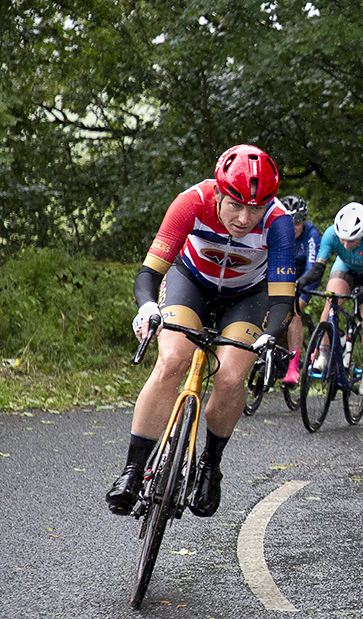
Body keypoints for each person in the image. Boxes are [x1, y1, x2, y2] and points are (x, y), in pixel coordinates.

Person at [106, 144, 295, 518]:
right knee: (172, 361)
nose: (244, 218)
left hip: (248, 296)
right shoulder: (191, 202)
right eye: (236, 204)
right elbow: (150, 273)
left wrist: (270, 335)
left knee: (229, 376)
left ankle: (210, 464)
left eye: (255, 208)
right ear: (219, 193)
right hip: (191, 283)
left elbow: (282, 300)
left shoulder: (280, 222)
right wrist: (147, 307)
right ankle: (132, 470)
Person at [295, 202, 363, 396]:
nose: (345, 245)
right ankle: (323, 353)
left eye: (352, 241)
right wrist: (301, 281)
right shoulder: (331, 233)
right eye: (343, 240)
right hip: (346, 268)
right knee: (331, 302)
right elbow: (318, 269)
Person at [282, 195, 321, 385]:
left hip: (306, 279)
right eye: (288, 222)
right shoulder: (276, 231)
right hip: (283, 276)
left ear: (304, 220)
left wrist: (301, 285)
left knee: (294, 312)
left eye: (296, 222)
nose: (292, 227)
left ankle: (293, 368)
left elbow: (312, 267)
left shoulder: (311, 234)